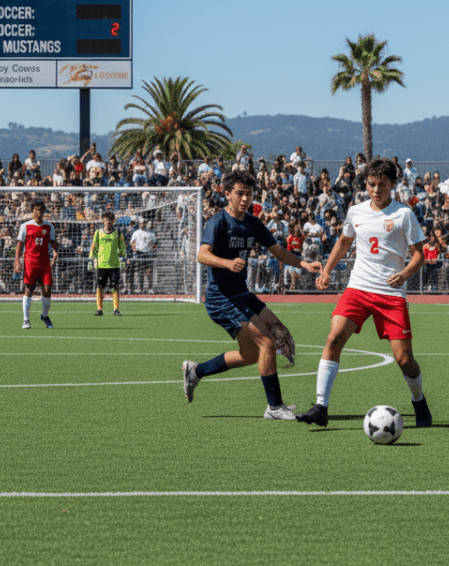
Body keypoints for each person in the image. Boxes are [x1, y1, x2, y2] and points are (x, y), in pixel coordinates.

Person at [294, 159, 433, 428]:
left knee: (404, 359)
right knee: (334, 338)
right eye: (371, 184)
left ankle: (419, 401)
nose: (376, 189)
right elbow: (344, 241)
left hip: (391, 294)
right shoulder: (356, 211)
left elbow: (419, 255)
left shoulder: (404, 215)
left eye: (382, 184)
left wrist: (404, 275)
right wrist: (326, 271)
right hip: (358, 288)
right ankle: (321, 406)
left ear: (393, 184)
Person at [183, 171, 319, 419]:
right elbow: (202, 255)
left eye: (249, 194)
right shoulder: (218, 222)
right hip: (221, 298)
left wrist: (305, 264)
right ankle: (275, 408)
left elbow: (279, 251)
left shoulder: (253, 223)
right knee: (267, 342)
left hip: (241, 294)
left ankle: (196, 371)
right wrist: (226, 263)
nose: (245, 198)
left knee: (263, 344)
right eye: (240, 193)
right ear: (227, 195)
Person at [15, 200, 59, 329]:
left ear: (43, 211)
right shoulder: (25, 226)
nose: (36, 213)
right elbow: (19, 245)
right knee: (29, 290)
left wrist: (56, 252)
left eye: (38, 210)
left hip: (44, 262)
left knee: (47, 290)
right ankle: (26, 320)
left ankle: (44, 315)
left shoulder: (49, 227)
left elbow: (53, 242)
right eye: (34, 210)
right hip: (30, 262)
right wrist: (17, 261)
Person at [90, 211, 126, 316]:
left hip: (114, 265)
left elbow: (123, 247)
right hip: (101, 265)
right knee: (100, 286)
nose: (108, 222)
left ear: (113, 221)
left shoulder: (118, 233)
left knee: (115, 286)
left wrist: (123, 257)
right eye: (105, 220)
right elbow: (93, 247)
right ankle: (99, 309)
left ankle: (116, 309)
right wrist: (92, 259)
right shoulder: (98, 233)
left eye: (110, 220)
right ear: (103, 221)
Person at [129, 219, 157, 293]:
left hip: (148, 253)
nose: (142, 225)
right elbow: (132, 242)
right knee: (140, 271)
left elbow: (156, 243)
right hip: (139, 253)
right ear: (139, 224)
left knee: (149, 271)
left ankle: (150, 287)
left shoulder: (151, 233)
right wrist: (134, 250)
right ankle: (140, 288)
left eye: (143, 223)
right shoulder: (136, 233)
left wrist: (151, 247)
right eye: (141, 223)